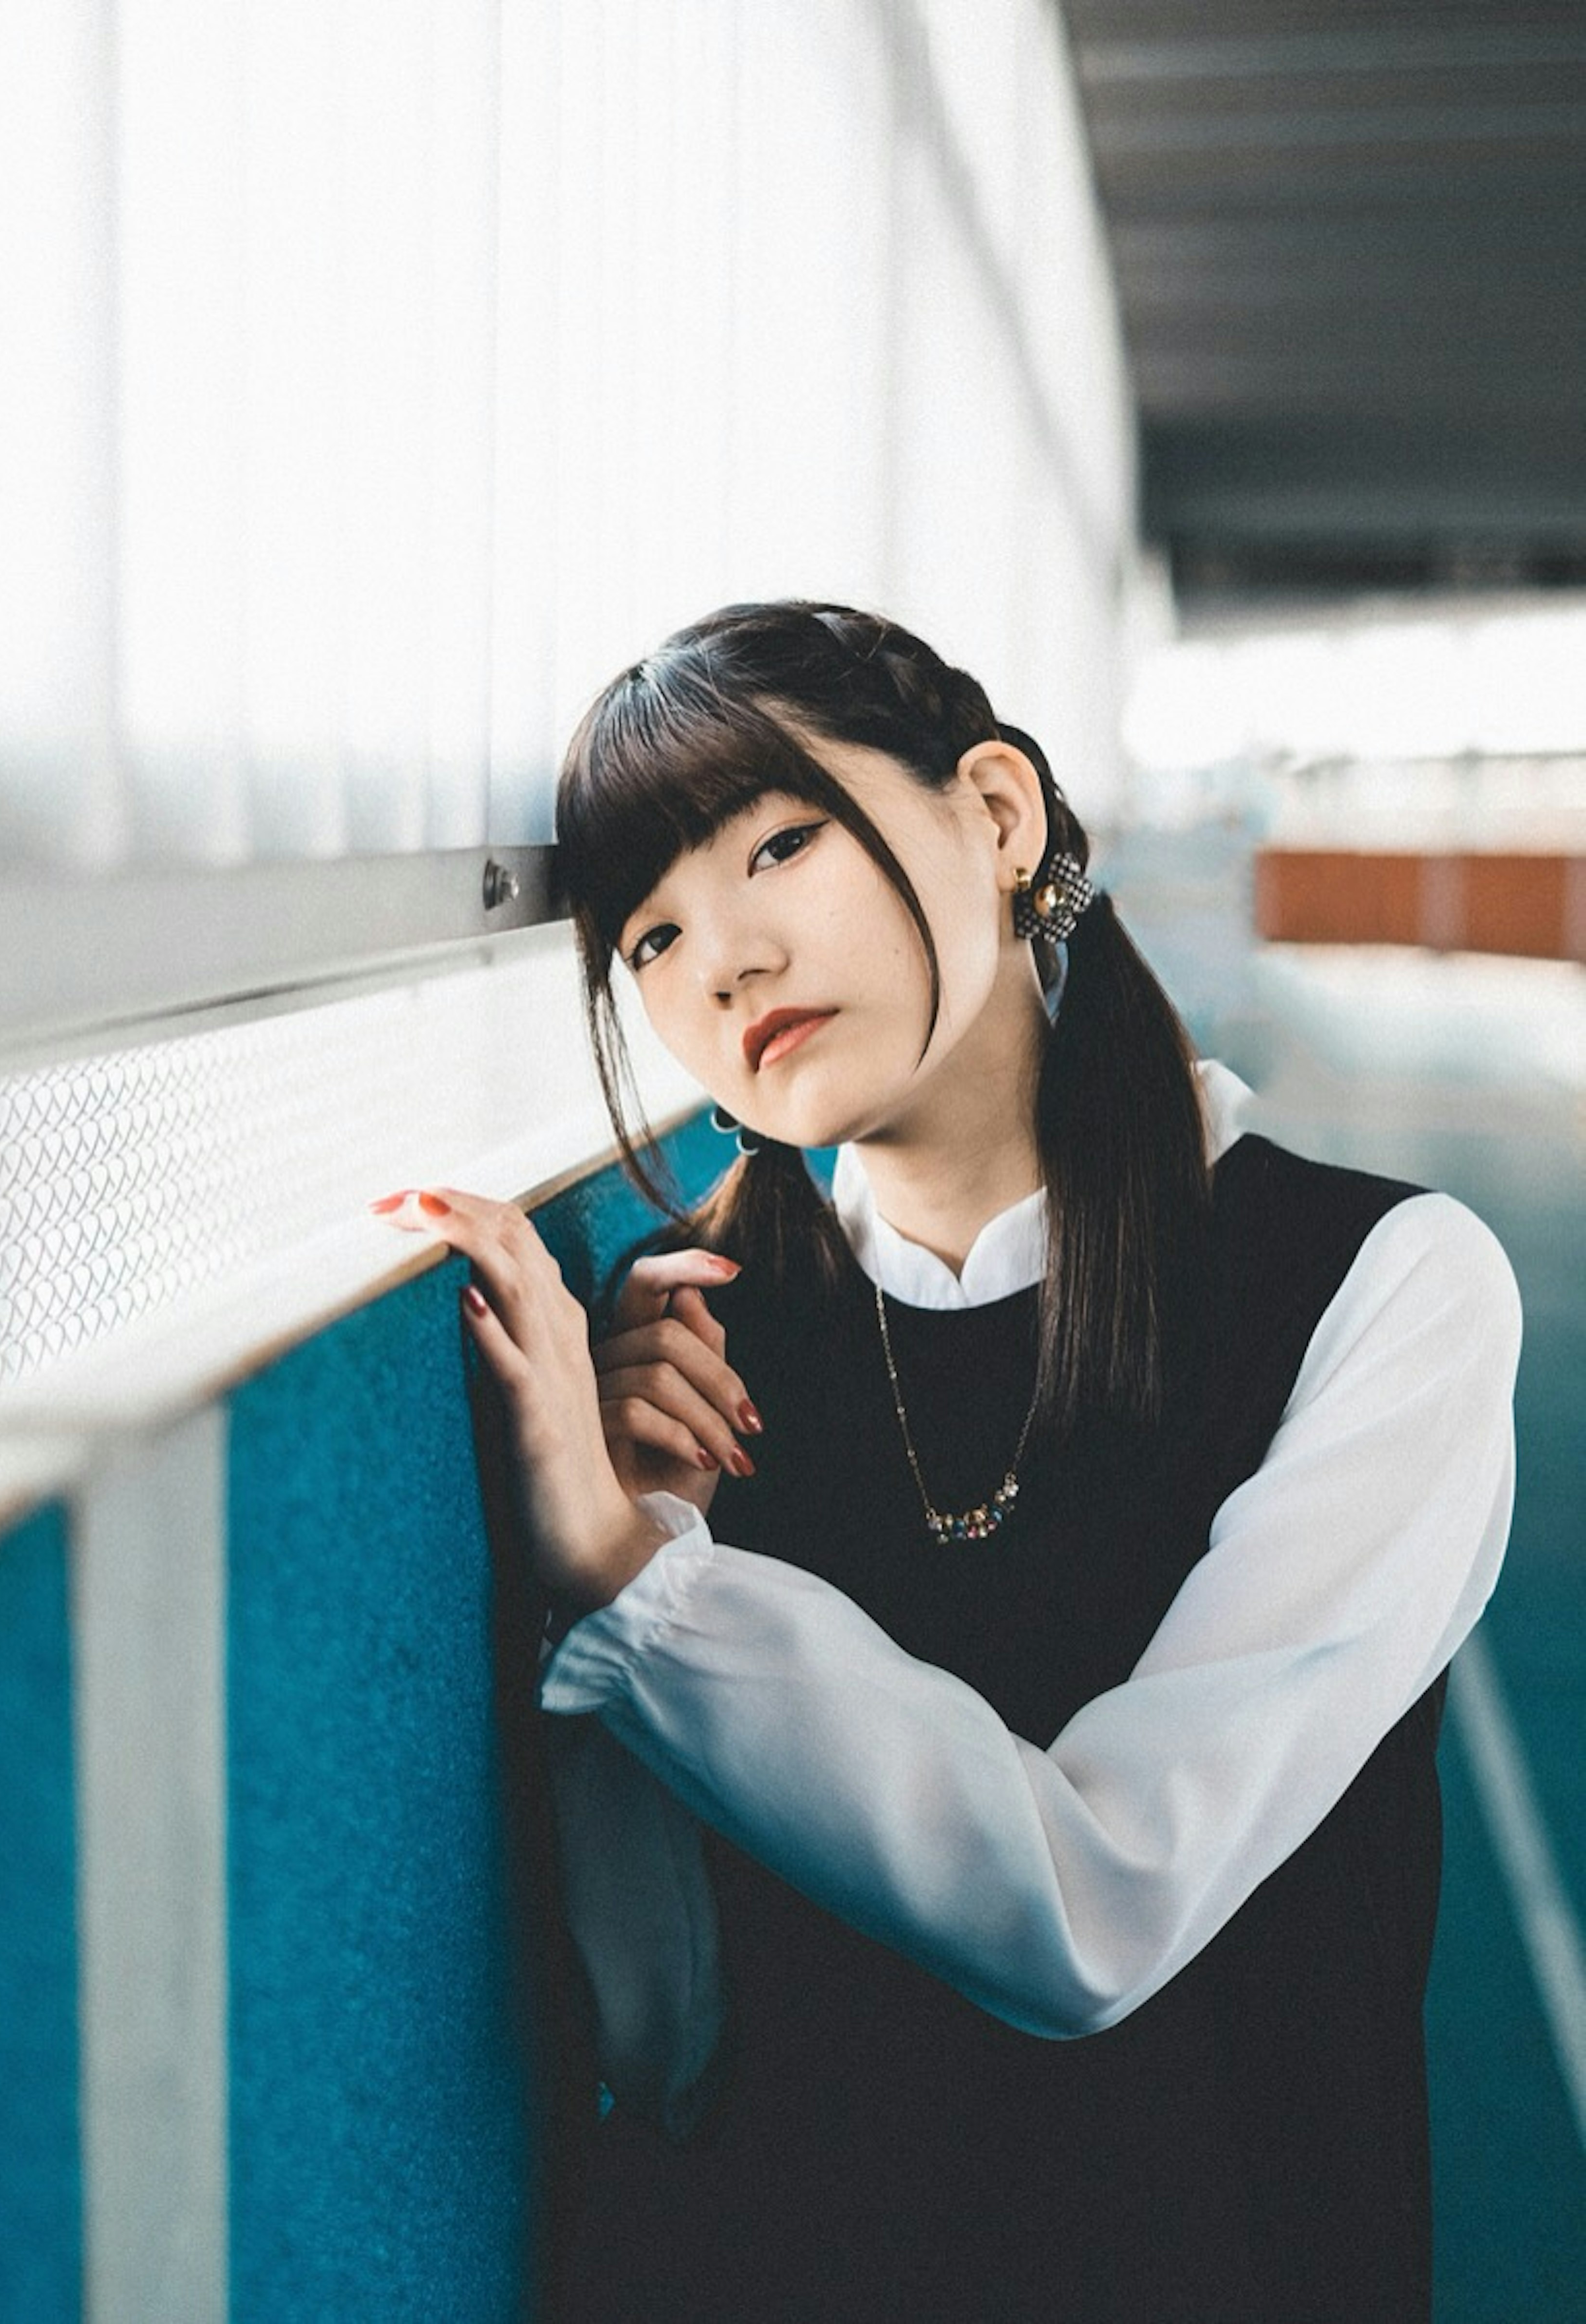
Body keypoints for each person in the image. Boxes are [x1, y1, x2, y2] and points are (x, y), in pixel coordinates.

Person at [374, 601, 1519, 2321]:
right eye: (652, 936)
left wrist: (643, 1592)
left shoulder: (1378, 1285)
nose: (727, 963)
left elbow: (1099, 1904)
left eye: (780, 843)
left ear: (994, 816)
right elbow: (661, 2026)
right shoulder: (691, 1357)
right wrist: (613, 1557)